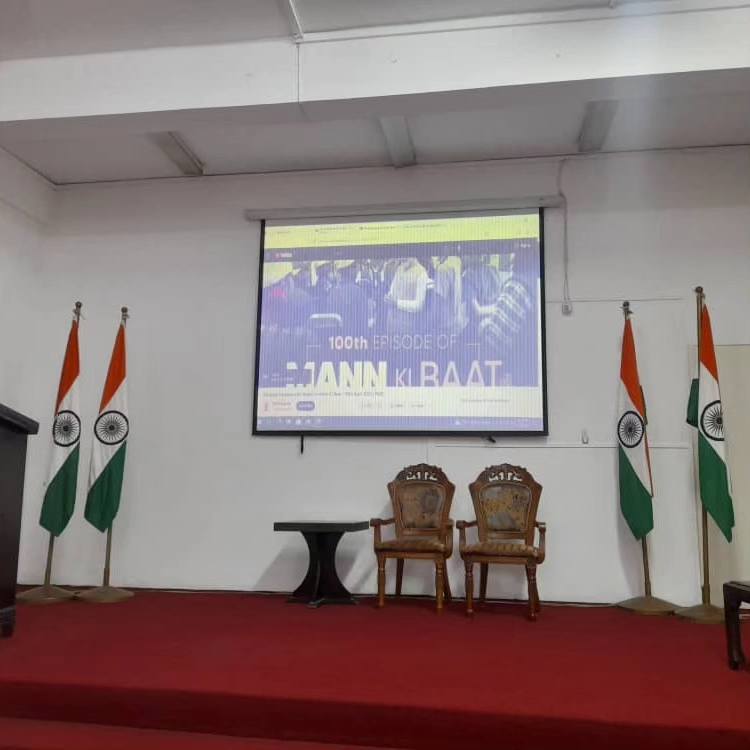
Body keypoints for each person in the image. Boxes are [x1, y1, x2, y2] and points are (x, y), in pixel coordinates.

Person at [384, 257, 430, 334]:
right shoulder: (399, 269)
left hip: (407, 328)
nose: (402, 258)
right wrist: (388, 297)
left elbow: (419, 305)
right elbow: (392, 291)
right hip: (391, 324)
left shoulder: (422, 273)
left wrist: (397, 303)